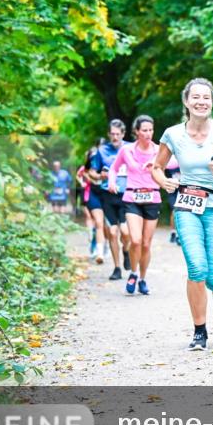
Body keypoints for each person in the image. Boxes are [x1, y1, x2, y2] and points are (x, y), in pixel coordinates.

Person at [152, 78, 213, 351]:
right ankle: (199, 332)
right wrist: (164, 182)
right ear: (186, 101)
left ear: (212, 101)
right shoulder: (172, 134)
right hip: (187, 207)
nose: (200, 101)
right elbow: (156, 167)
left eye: (206, 97)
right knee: (197, 268)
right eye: (195, 97)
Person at [108, 115, 162, 295]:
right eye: (144, 130)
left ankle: (143, 278)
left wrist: (156, 163)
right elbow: (114, 168)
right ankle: (133, 273)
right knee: (136, 240)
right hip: (132, 199)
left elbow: (174, 162)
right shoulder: (127, 150)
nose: (148, 133)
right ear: (137, 132)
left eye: (150, 130)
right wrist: (112, 182)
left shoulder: (159, 150)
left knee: (146, 244)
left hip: (152, 199)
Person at [89, 121, 132, 280]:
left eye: (118, 134)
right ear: (109, 135)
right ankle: (117, 268)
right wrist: (100, 176)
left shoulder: (130, 148)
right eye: (112, 134)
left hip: (126, 195)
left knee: (126, 233)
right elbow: (92, 172)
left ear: (123, 133)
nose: (115, 137)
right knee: (113, 232)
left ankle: (126, 251)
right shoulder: (102, 151)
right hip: (108, 196)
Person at [76, 149, 98, 257]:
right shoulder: (84, 168)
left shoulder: (100, 166)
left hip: (99, 195)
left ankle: (96, 244)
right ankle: (91, 233)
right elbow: (78, 175)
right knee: (89, 216)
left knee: (98, 222)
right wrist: (82, 183)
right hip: (87, 194)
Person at [164, 158, 181, 246]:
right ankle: (173, 232)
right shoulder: (171, 161)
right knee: (175, 210)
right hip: (173, 191)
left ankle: (179, 234)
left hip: (184, 191)